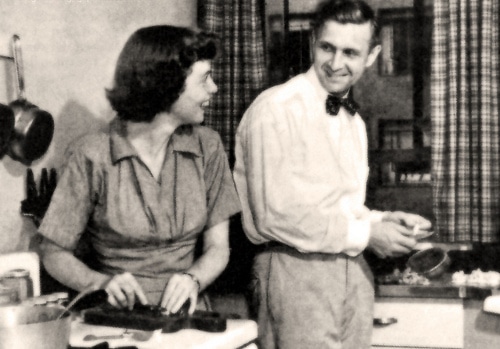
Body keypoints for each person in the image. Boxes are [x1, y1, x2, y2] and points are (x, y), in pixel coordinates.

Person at [233, 1, 432, 348]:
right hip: (292, 269)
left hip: (352, 272)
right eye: (328, 47)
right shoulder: (276, 109)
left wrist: (381, 219)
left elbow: (336, 206)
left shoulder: (353, 121)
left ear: (372, 55)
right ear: (313, 41)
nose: (336, 63)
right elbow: (275, 216)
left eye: (351, 53)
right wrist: (368, 236)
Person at [38, 25, 240, 315]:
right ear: (168, 85)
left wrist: (193, 279)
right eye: (205, 78)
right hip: (117, 318)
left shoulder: (207, 147)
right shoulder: (92, 155)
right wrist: (100, 282)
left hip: (188, 314)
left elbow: (218, 248)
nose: (214, 88)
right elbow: (53, 252)